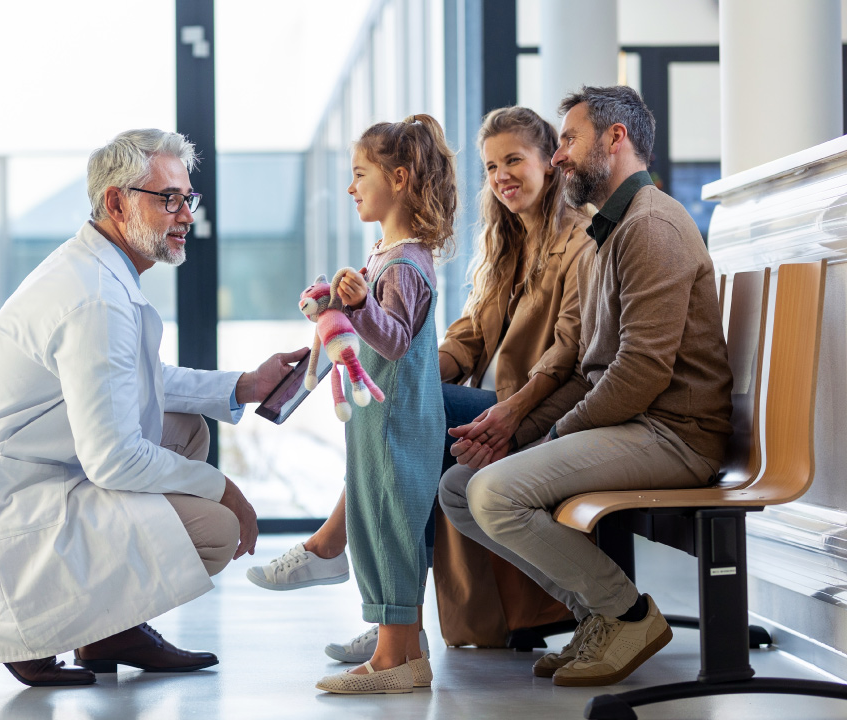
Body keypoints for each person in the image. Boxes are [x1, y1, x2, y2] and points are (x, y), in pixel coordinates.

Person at [0, 129, 306, 688]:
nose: (185, 216)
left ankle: (112, 631)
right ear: (115, 201)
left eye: (188, 199)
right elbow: (112, 460)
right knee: (218, 530)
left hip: (40, 475)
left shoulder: (98, 269)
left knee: (182, 430)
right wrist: (224, 489)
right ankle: (40, 627)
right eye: (168, 199)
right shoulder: (94, 297)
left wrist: (246, 385)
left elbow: (137, 381)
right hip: (7, 505)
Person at [248, 106, 592, 655]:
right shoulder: (506, 242)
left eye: (514, 161)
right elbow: (467, 339)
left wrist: (500, 408)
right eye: (491, 166)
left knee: (400, 427)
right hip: (500, 398)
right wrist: (401, 373)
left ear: (548, 165)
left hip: (542, 405)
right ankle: (394, 620)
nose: (501, 175)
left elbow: (568, 351)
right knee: (395, 411)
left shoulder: (581, 240)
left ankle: (372, 593)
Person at [438, 85, 733, 687]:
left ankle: (626, 613)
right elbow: (588, 363)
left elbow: (639, 372)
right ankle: (593, 615)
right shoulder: (612, 229)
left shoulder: (651, 227)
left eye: (569, 138)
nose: (561, 154)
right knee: (458, 490)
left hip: (672, 435)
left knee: (492, 494)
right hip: (635, 424)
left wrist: (549, 436)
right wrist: (522, 428)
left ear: (616, 139)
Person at [311, 113, 452, 695]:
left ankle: (397, 661)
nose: (351, 187)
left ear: (398, 178)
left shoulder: (404, 264)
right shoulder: (390, 255)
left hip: (395, 421)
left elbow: (391, 337)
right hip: (382, 420)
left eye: (359, 174)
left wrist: (361, 304)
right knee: (377, 523)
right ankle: (401, 647)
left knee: (390, 526)